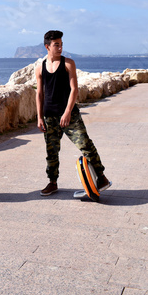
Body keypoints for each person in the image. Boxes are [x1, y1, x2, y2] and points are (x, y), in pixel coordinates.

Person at [35, 30, 111, 196]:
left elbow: (74, 89)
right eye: (56, 45)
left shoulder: (69, 63)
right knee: (51, 152)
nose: (60, 47)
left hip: (70, 116)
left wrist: (68, 112)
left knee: (85, 144)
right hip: (49, 117)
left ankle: (102, 177)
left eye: (61, 44)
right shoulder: (40, 68)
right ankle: (52, 182)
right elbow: (39, 93)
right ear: (47, 46)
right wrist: (40, 117)